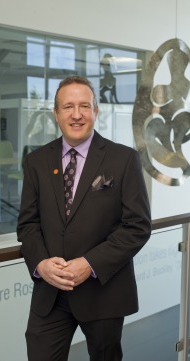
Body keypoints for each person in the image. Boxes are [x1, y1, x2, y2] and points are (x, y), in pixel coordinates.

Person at [17, 75, 151, 361]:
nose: (76, 114)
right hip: (50, 295)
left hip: (103, 291)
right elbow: (28, 224)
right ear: (56, 113)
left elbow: (137, 226)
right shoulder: (36, 162)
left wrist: (89, 264)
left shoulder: (123, 159)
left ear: (95, 111)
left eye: (84, 106)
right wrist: (41, 263)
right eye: (67, 107)